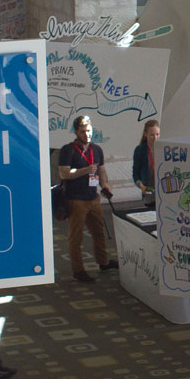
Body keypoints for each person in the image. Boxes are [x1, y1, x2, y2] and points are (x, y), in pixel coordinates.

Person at [57, 114, 116, 282]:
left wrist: (104, 184)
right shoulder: (67, 150)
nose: (87, 135)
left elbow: (101, 170)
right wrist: (86, 170)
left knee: (99, 232)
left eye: (89, 131)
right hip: (75, 199)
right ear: (76, 132)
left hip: (93, 197)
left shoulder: (96, 149)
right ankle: (78, 270)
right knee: (76, 236)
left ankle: (103, 261)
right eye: (83, 132)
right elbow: (64, 173)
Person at [132, 119, 160, 201]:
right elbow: (135, 173)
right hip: (149, 193)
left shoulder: (163, 149)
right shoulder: (140, 150)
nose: (155, 138)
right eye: (152, 135)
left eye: (157, 134)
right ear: (145, 134)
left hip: (163, 192)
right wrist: (141, 186)